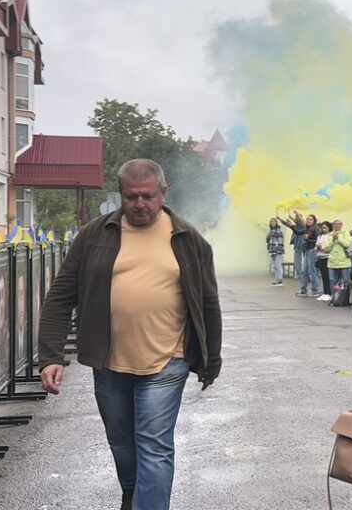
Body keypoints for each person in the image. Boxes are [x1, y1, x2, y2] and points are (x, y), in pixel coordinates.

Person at [38, 159, 222, 510]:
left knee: (154, 445)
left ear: (163, 193)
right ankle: (133, 492)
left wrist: (211, 361)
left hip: (168, 361)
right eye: (131, 196)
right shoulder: (95, 235)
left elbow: (209, 304)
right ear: (120, 194)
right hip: (109, 363)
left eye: (148, 196)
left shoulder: (188, 240)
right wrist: (50, 355)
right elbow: (60, 297)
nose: (140, 204)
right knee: (121, 442)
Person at [323, 219, 352, 296]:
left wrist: (338, 239)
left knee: (346, 280)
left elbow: (348, 245)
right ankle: (334, 298)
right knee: (332, 280)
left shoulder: (345, 233)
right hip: (332, 262)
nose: (336, 226)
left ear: (341, 225)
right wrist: (333, 240)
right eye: (335, 224)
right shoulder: (329, 235)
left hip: (344, 262)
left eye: (338, 224)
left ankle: (345, 298)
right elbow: (326, 249)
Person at [297, 215, 322, 298]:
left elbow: (317, 241)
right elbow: (297, 231)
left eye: (310, 219)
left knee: (312, 270)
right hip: (307, 250)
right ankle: (303, 289)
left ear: (314, 221)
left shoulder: (316, 229)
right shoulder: (307, 229)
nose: (308, 221)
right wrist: (290, 225)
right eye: (307, 219)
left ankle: (316, 289)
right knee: (304, 271)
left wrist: (308, 238)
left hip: (312, 250)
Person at [277, 211, 305, 279]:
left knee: (305, 260)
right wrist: (280, 219)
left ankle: (304, 274)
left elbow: (300, 221)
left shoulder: (304, 226)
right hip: (297, 245)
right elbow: (287, 224)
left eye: (297, 218)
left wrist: (297, 214)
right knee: (297, 260)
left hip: (304, 244)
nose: (296, 219)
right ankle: (300, 274)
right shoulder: (295, 227)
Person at [314, 221, 332, 301]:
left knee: (327, 276)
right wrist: (317, 247)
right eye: (323, 228)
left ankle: (329, 293)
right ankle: (325, 292)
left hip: (327, 257)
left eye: (325, 228)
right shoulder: (320, 236)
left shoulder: (330, 236)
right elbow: (316, 244)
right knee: (323, 276)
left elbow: (329, 247)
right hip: (320, 256)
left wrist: (322, 248)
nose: (323, 229)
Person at [266, 217, 285, 286]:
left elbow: (280, 240)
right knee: (274, 265)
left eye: (274, 222)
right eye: (271, 222)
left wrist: (279, 249)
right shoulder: (271, 231)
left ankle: (280, 279)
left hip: (277, 250)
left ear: (276, 223)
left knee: (278, 264)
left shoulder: (278, 230)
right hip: (272, 249)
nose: (272, 223)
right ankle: (276, 278)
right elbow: (268, 240)